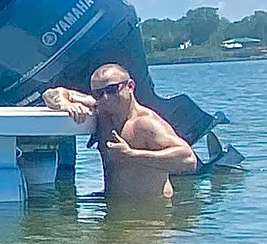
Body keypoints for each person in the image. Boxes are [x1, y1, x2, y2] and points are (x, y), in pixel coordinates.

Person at [44, 64, 197, 200]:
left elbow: (189, 160)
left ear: (130, 86)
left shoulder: (146, 123)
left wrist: (132, 155)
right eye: (98, 93)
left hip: (152, 213)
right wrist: (64, 103)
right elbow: (51, 94)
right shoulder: (102, 112)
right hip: (114, 210)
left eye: (112, 90)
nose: (105, 98)